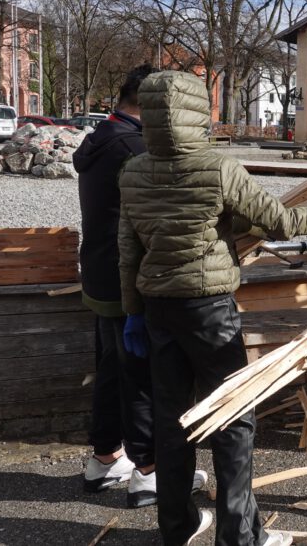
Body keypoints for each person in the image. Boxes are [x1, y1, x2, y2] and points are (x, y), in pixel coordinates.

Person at [118, 71, 307, 546]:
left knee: (171, 420)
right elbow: (282, 223)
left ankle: (175, 529)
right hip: (209, 311)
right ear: (197, 112)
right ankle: (238, 538)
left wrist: (132, 310)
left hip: (158, 310)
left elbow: (129, 249)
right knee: (233, 421)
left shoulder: (133, 172)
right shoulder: (219, 168)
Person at [74, 64, 207, 507]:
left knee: (112, 369)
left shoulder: (101, 138)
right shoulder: (132, 147)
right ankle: (150, 472)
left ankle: (106, 458)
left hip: (99, 273)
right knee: (142, 376)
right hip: (129, 279)